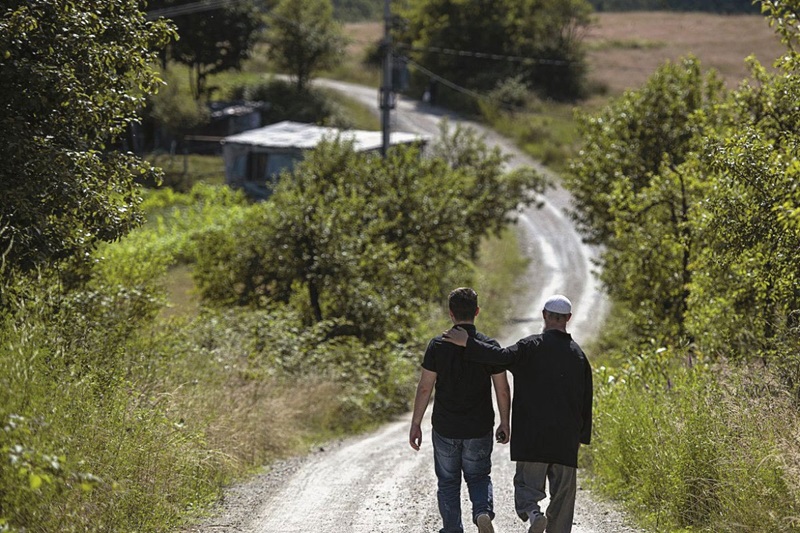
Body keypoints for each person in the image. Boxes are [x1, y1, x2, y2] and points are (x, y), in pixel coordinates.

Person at [442, 294, 592, 533]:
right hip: (566, 439)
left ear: (544, 315)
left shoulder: (530, 347)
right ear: (569, 319)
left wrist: (467, 343)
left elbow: (499, 357)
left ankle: (533, 512)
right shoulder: (578, 355)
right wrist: (582, 436)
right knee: (564, 497)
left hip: (532, 436)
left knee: (527, 487)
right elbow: (587, 400)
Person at [409, 287, 511, 533]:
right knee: (478, 477)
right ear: (476, 312)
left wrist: (415, 423)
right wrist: (505, 422)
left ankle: (453, 529)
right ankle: (482, 512)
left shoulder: (437, 346)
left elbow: (425, 388)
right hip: (479, 427)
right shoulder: (488, 346)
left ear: (451, 314)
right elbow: (502, 389)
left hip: (446, 427)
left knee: (448, 482)